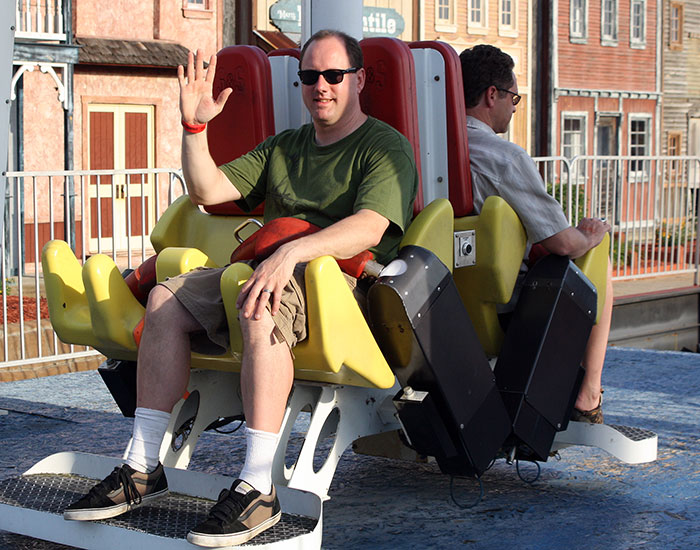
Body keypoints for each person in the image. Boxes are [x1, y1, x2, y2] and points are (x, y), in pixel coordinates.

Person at [63, 29, 418, 547]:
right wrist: (193, 127)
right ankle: (141, 467)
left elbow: (369, 225)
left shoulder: (384, 146)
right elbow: (208, 191)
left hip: (338, 281)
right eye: (310, 76)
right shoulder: (285, 147)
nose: (321, 85)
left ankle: (258, 486)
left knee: (258, 302)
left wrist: (292, 252)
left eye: (334, 75)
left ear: (359, 79)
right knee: (165, 300)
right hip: (273, 268)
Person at [459, 44, 612, 424]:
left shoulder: (427, 150)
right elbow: (562, 242)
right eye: (513, 97)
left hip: (445, 300)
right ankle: (588, 392)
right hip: (505, 308)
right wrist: (590, 234)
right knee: (600, 258)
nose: (514, 107)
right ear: (491, 95)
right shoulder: (504, 157)